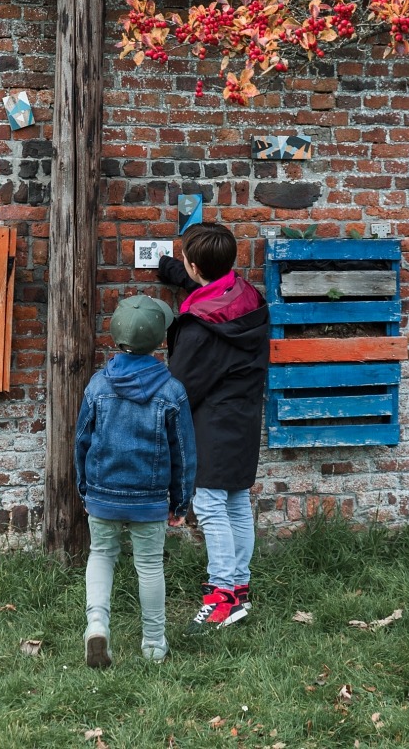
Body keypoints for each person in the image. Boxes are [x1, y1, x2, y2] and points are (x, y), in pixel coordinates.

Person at [158, 222, 270, 633]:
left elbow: (182, 386)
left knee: (207, 504)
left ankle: (221, 596)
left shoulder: (199, 329)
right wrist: (173, 272)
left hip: (211, 422)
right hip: (243, 418)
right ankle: (239, 589)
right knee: (237, 501)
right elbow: (211, 295)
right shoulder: (248, 297)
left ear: (192, 264)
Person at [74, 294, 197, 667]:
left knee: (101, 555)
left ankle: (97, 623)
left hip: (103, 493)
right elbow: (184, 453)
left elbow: (81, 440)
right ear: (160, 340)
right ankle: (155, 643)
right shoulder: (171, 391)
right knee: (149, 566)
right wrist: (180, 502)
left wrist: (85, 488)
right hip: (149, 497)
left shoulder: (97, 386)